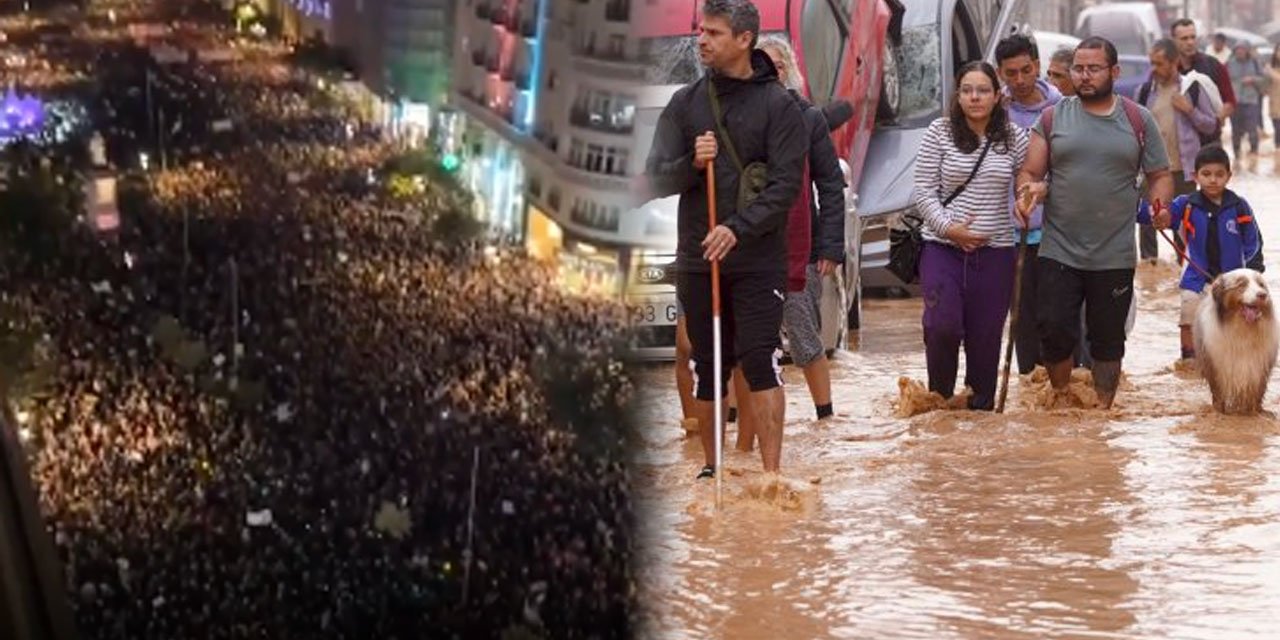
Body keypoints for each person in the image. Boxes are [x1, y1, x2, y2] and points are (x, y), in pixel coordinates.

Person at [645, 0, 805, 479]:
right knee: (707, 363)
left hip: (758, 259)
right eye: (701, 31)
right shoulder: (685, 103)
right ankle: (711, 469)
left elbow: (785, 188)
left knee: (760, 358)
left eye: (713, 33)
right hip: (699, 257)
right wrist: (692, 164)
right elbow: (652, 179)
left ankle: (771, 475)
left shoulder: (779, 106)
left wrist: (737, 228)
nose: (701, 40)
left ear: (744, 39)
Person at [1016, 37, 1174, 409]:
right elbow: (1030, 171)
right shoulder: (1052, 117)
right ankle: (1061, 401)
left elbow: (1160, 174)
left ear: (1114, 72)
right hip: (1059, 249)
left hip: (1114, 253)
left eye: (1094, 69)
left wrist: (1161, 207)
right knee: (1053, 332)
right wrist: (1027, 192)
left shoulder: (1138, 119)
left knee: (1108, 341)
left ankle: (1103, 413)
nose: (1084, 76)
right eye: (1078, 69)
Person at [733, 37, 845, 452]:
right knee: (743, 342)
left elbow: (829, 185)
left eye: (777, 66)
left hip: (800, 247)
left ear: (789, 72)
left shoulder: (809, 118)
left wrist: (830, 247)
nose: (770, 73)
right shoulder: (739, 115)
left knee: (803, 335)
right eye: (762, 65)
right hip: (748, 245)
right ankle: (738, 425)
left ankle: (825, 418)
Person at [911, 61, 1029, 411]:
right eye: (967, 90)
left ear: (997, 96)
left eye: (982, 90)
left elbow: (1032, 177)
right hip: (942, 248)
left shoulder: (1014, 137)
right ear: (958, 96)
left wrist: (1027, 198)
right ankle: (940, 404)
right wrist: (950, 229)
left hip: (995, 253)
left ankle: (980, 417)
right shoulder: (939, 131)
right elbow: (923, 191)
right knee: (941, 327)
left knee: (986, 340)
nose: (974, 97)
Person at [1144, 146, 1263, 360]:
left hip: (1233, 282)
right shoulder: (1186, 205)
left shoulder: (1239, 206)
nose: (1213, 180)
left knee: (1237, 323)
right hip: (1195, 279)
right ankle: (1188, 361)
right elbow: (1160, 215)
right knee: (1188, 319)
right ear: (1195, 176)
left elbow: (1253, 242)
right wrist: (1154, 213)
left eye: (1219, 174)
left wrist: (1253, 274)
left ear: (1229, 176)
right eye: (1206, 174)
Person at [997, 34, 1062, 375]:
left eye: (1026, 70)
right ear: (1000, 73)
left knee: (1056, 317)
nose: (1020, 80)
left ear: (1037, 66)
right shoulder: (994, 111)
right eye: (1011, 73)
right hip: (1009, 233)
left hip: (1056, 232)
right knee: (1021, 317)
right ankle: (1029, 384)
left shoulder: (1061, 109)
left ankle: (1059, 383)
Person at [1135, 38, 1219, 262]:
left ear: (1174, 63)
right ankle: (1150, 269)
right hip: (1152, 169)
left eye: (1159, 63)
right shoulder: (1144, 91)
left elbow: (1211, 125)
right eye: (1152, 63)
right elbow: (1135, 130)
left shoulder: (1192, 89)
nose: (1154, 68)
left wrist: (1189, 110)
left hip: (1184, 169)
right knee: (1146, 222)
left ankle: (1184, 267)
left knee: (1183, 224)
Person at [1171, 19, 1234, 131]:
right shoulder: (1167, 69)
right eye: (1184, 38)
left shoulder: (1213, 66)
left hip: (1208, 137)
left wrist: (1215, 122)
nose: (1190, 42)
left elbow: (1230, 102)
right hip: (1177, 135)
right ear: (1173, 41)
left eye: (1193, 37)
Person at [1225, 43, 1270, 168]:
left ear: (1247, 51)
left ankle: (1253, 156)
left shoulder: (1254, 63)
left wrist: (1253, 79)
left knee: (1252, 129)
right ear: (1234, 51)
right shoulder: (1229, 63)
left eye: (1242, 50)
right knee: (1236, 130)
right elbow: (1223, 81)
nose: (1240, 52)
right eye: (1238, 50)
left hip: (1251, 101)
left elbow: (1264, 78)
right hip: (1234, 101)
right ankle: (1236, 156)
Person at [1268, 47, 1280, 171]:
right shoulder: (1270, 69)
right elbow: (1264, 88)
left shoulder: (1270, 70)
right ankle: (1277, 165)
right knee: (1277, 131)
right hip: (1275, 105)